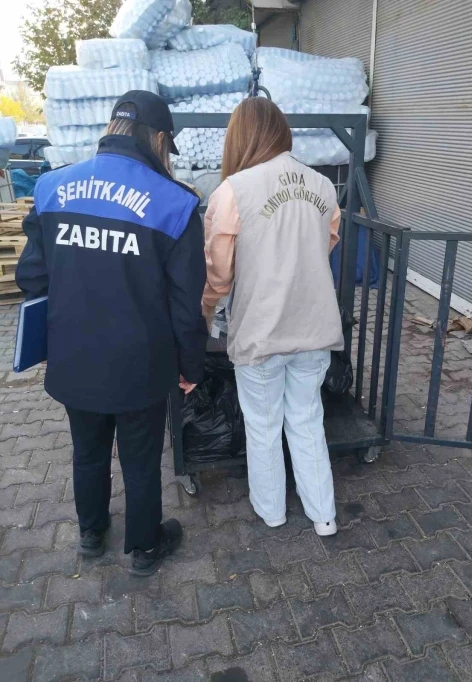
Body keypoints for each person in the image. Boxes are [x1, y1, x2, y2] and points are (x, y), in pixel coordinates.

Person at [16, 91, 208, 575]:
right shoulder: (175, 203)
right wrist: (190, 366)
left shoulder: (51, 187)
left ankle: (91, 532)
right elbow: (186, 305)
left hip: (73, 355)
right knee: (140, 458)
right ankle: (144, 548)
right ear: (159, 138)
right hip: (141, 364)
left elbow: (32, 277)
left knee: (87, 450)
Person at [203, 98, 343, 536]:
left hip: (261, 330)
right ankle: (323, 515)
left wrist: (205, 313)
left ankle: (272, 511)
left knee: (263, 426)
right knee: (307, 419)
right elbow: (327, 243)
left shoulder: (234, 191)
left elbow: (219, 274)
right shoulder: (323, 186)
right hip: (315, 327)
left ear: (240, 136)